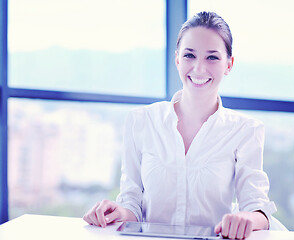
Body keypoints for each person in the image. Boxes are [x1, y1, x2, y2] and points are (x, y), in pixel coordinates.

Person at [83, 11, 277, 239]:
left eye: (212, 57)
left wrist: (246, 218)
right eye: (189, 56)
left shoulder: (246, 131)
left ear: (229, 64)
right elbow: (132, 204)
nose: (199, 68)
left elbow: (258, 208)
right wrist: (117, 212)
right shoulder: (141, 122)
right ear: (177, 59)